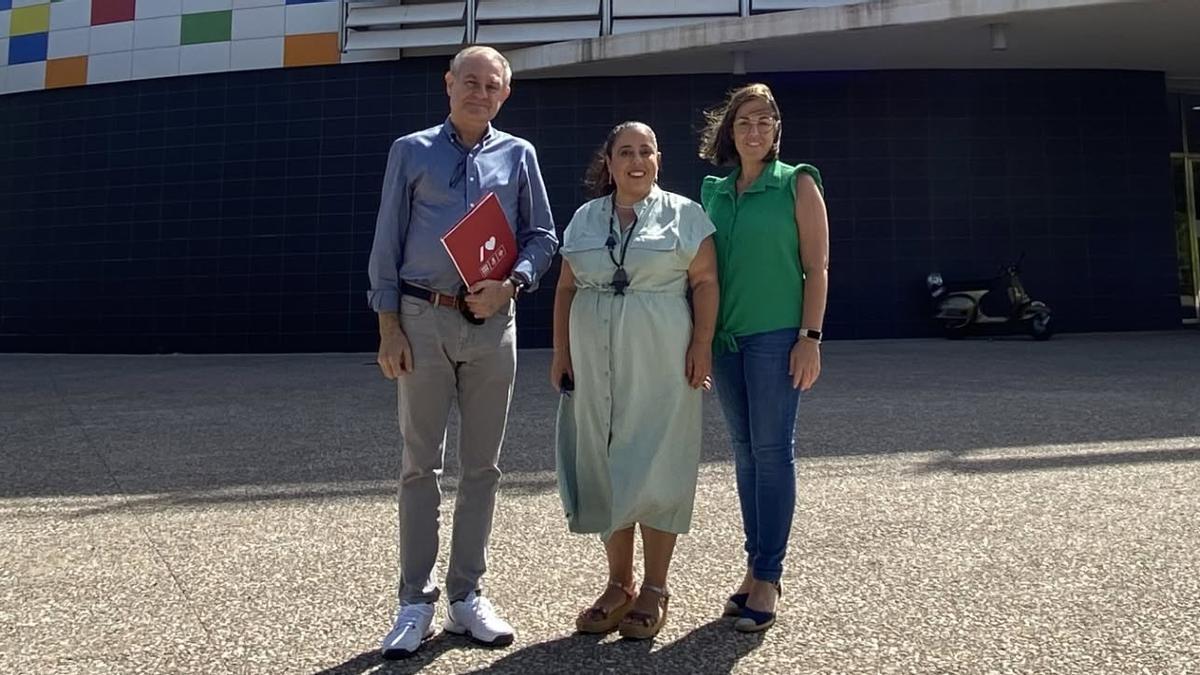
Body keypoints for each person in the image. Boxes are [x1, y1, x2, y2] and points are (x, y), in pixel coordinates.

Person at [366, 45, 558, 658]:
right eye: (469, 81)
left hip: (492, 322)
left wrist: (514, 283)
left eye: (492, 85)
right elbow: (387, 240)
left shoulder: (519, 155)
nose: (480, 92)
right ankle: (413, 602)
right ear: (449, 85)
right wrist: (388, 326)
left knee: (483, 467)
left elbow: (542, 235)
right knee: (419, 465)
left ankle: (465, 597)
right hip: (423, 318)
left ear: (505, 94)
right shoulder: (410, 150)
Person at [551, 121, 719, 640]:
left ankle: (656, 587)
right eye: (626, 151)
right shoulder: (584, 218)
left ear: (659, 160)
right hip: (593, 355)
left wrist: (700, 346)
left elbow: (706, 281)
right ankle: (618, 584)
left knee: (657, 461)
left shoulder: (686, 214)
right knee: (604, 461)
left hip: (661, 354)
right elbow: (565, 287)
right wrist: (562, 352)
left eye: (646, 151)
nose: (636, 160)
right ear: (610, 162)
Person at [698, 83, 830, 633]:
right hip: (726, 342)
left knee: (773, 454)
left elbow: (817, 268)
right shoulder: (712, 191)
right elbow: (701, 275)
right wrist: (699, 341)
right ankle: (754, 570)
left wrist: (810, 337)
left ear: (777, 130)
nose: (754, 130)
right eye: (744, 121)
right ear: (729, 131)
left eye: (764, 121)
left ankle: (769, 578)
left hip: (777, 339)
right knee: (746, 456)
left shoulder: (797, 183)